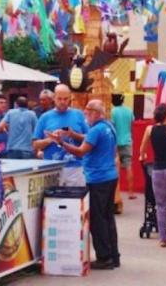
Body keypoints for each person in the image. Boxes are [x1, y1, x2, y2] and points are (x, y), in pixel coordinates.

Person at [55, 99, 120, 269]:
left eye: (88, 111)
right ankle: (114, 255)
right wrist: (73, 135)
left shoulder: (96, 130)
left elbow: (81, 151)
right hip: (110, 176)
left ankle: (104, 257)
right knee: (108, 218)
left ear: (96, 113)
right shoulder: (107, 126)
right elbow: (89, 138)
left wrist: (61, 142)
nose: (85, 114)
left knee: (98, 220)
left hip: (97, 178)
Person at [138, 103, 166, 248]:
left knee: (161, 205)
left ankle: (163, 238)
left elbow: (142, 148)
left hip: (157, 170)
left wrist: (142, 156)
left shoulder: (149, 129)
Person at [33, 84, 89, 186]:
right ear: (54, 98)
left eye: (65, 99)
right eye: (59, 99)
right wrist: (50, 139)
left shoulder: (79, 115)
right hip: (51, 168)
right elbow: (35, 144)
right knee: (52, 201)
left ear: (70, 98)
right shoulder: (45, 117)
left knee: (76, 200)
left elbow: (89, 139)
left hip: (75, 167)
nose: (62, 102)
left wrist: (73, 134)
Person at [110, 94, 136, 199]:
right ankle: (130, 192)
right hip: (127, 141)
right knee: (128, 165)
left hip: (115, 142)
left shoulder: (112, 112)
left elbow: (112, 126)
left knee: (116, 167)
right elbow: (131, 125)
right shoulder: (129, 111)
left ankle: (117, 192)